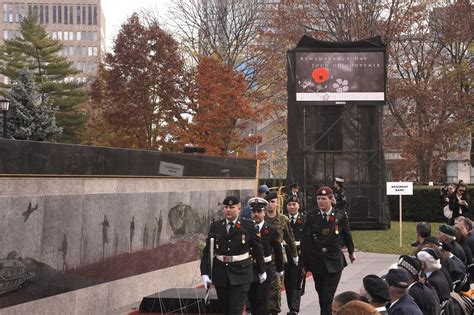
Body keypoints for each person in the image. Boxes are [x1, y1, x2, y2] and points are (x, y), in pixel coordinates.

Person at [200, 196, 266, 315]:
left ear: (239, 209)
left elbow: (258, 249)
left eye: (232, 207)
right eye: (226, 207)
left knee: (235, 310)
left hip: (241, 273)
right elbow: (207, 250)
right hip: (221, 274)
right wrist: (204, 273)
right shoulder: (216, 226)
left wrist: (262, 270)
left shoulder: (248, 226)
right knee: (225, 310)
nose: (228, 210)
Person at [300, 186, 356, 315]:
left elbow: (347, 234)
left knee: (327, 296)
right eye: (318, 199)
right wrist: (303, 263)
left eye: (323, 199)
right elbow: (306, 241)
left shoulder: (340, 216)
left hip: (334, 261)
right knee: (321, 295)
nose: (320, 201)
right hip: (317, 261)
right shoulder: (312, 216)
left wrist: (351, 252)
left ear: (330, 199)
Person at [247, 197, 284, 315]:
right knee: (252, 300)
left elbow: (277, 250)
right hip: (250, 267)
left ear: (264, 212)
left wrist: (280, 268)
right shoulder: (245, 228)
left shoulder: (270, 229)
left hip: (266, 268)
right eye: (253, 212)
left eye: (259, 212)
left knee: (262, 300)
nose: (256, 214)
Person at [265, 192, 298, 314]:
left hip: (277, 258)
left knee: (276, 288)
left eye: (273, 202)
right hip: (263, 257)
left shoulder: (283, 219)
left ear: (277, 203)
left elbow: (290, 238)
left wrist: (294, 255)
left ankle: (274, 311)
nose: (270, 205)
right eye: (268, 202)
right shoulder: (261, 219)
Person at [284, 195, 306, 315]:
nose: (292, 207)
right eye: (289, 204)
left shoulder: (304, 219)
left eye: (294, 204)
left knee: (297, 281)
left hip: (299, 253)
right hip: (285, 253)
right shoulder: (283, 219)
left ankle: (294, 309)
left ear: (299, 206)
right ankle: (291, 305)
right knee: (288, 282)